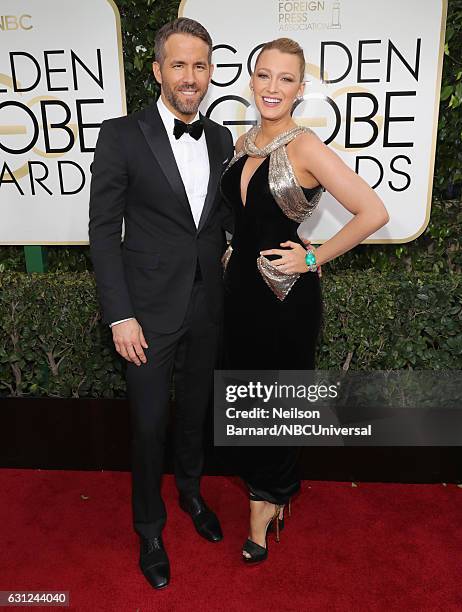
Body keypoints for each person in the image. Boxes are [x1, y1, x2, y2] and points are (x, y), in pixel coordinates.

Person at [220, 38, 389, 564]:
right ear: (252, 79)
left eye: (285, 79)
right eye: (264, 75)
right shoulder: (242, 141)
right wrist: (231, 252)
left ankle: (266, 504)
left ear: (300, 88)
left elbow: (373, 211)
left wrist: (313, 258)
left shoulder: (307, 147)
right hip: (240, 295)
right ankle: (264, 490)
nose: (273, 87)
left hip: (285, 295)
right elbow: (243, 219)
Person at [89, 18, 234, 589]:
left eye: (200, 65)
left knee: (195, 412)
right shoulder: (121, 134)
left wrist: (230, 248)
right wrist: (119, 313)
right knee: (149, 425)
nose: (190, 76)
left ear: (210, 71)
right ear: (157, 70)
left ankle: (192, 495)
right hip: (144, 312)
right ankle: (149, 527)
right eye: (179, 64)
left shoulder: (222, 138)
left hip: (207, 303)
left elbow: (218, 217)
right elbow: (103, 231)